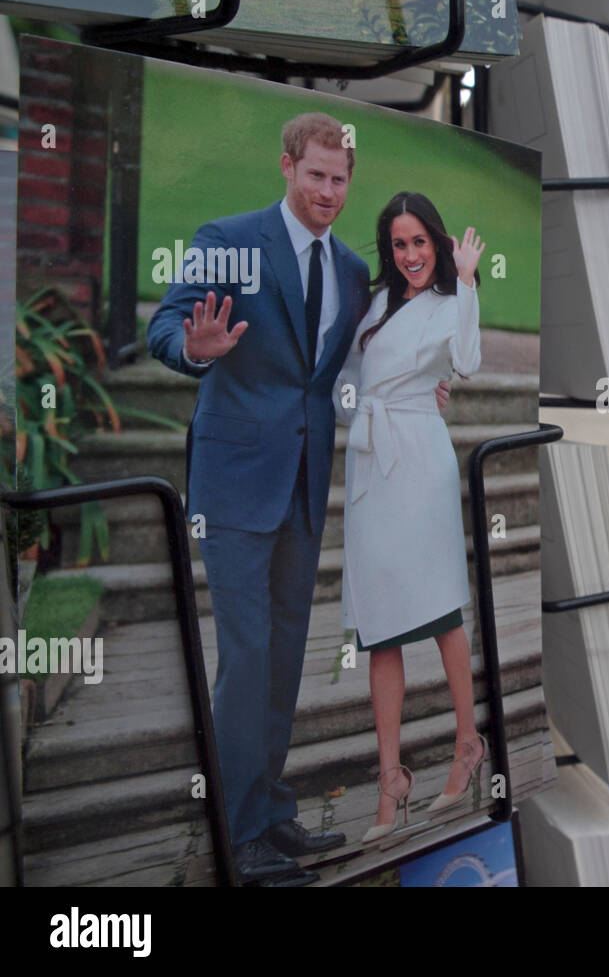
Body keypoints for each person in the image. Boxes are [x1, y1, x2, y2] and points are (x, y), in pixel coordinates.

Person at [146, 115, 451, 885]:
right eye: (314, 175)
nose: (327, 191)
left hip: (306, 487)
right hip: (237, 484)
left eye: (339, 179)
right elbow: (164, 324)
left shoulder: (351, 271)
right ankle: (236, 831)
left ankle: (271, 813)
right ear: (287, 167)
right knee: (246, 657)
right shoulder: (231, 238)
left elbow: (343, 376)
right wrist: (195, 346)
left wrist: (416, 387)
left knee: (284, 658)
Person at [333, 192, 486, 845]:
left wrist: (470, 280)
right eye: (399, 244)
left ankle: (468, 740)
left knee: (440, 607)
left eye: (419, 241)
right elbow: (348, 384)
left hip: (419, 465)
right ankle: (390, 781)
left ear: (438, 242)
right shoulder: (375, 305)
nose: (410, 254)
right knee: (379, 626)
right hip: (372, 467)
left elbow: (470, 360)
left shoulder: (450, 303)